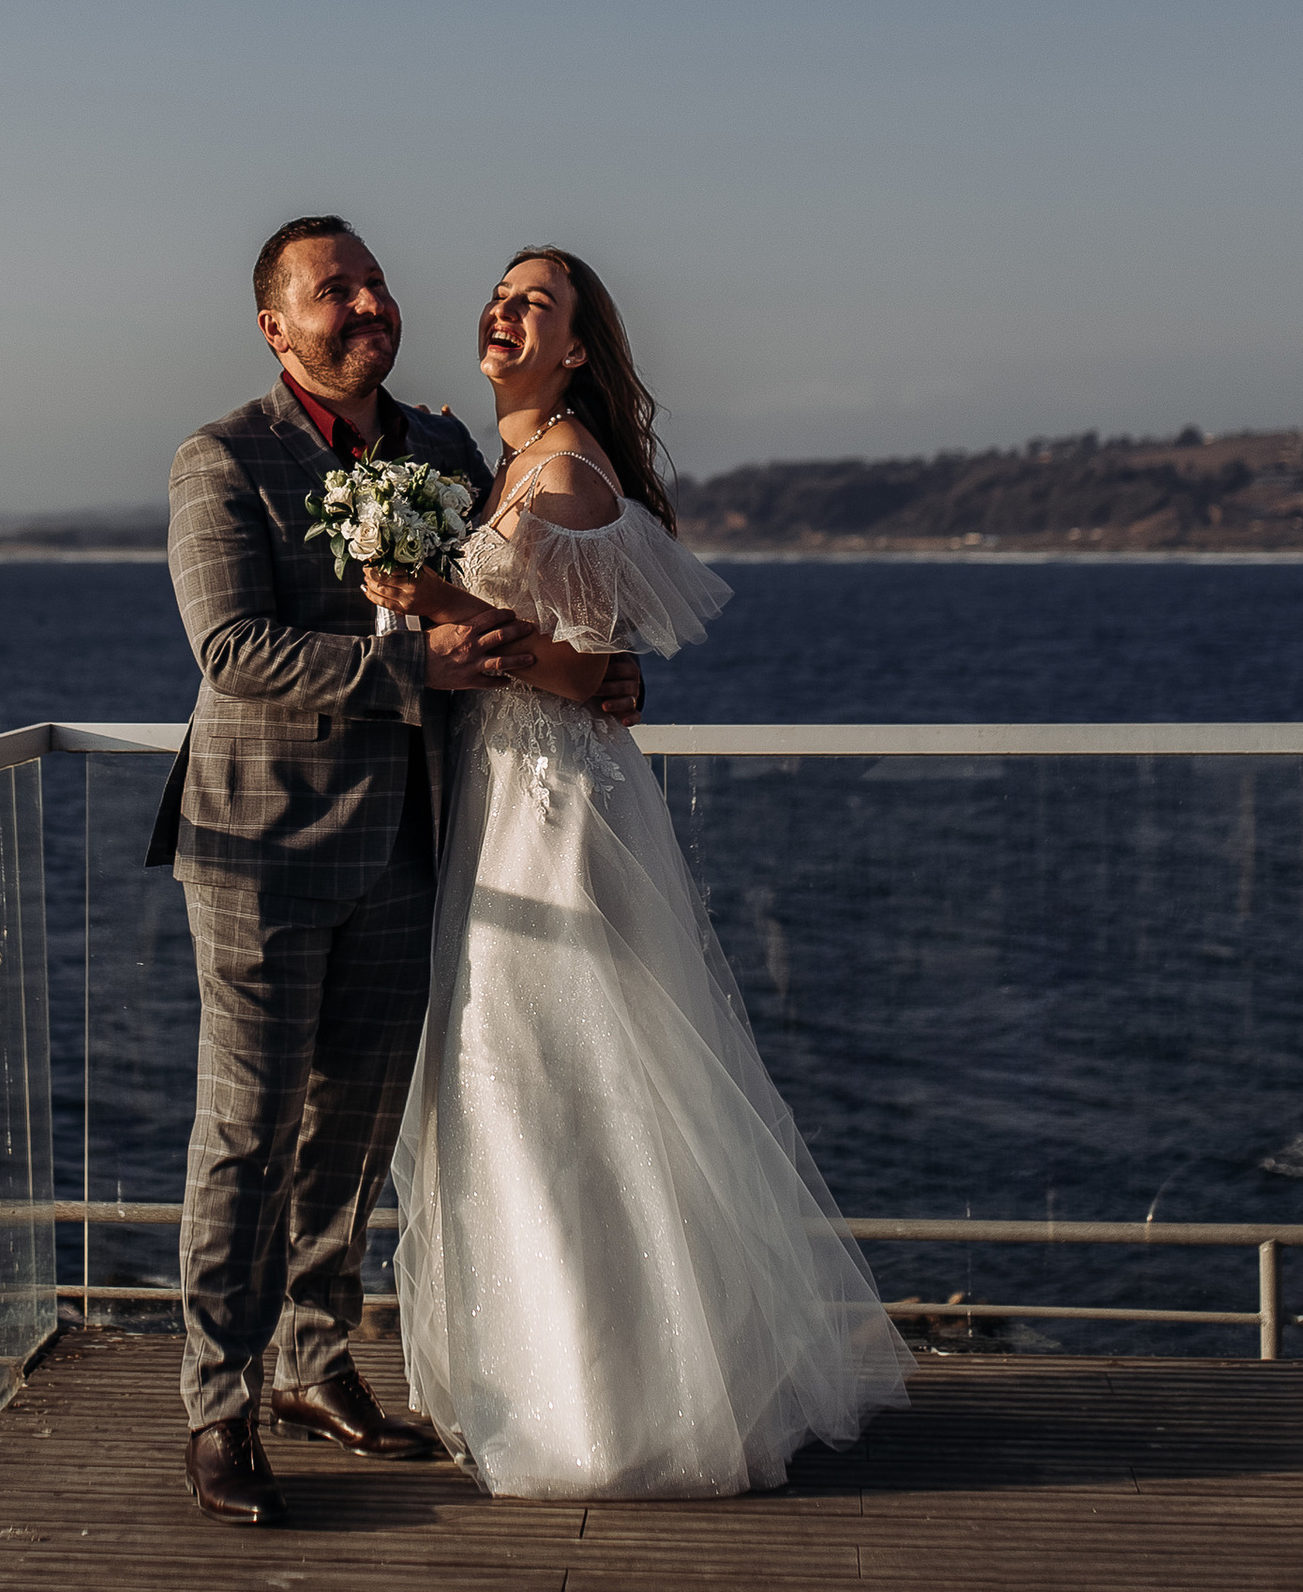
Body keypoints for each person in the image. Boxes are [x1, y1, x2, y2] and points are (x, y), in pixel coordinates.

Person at [379, 247, 911, 1498]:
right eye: (501, 296)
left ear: (575, 348)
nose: (505, 313)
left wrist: (436, 596)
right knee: (533, 1085)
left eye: (536, 304)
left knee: (556, 1081)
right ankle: (577, 1377)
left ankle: (610, 1410)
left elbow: (583, 669)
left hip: (552, 807)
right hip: (508, 795)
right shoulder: (510, 460)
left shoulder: (561, 470)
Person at [150, 217, 642, 1526]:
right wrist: (403, 670)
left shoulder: (440, 449)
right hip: (258, 850)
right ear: (277, 327)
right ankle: (216, 1401)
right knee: (246, 1136)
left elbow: (506, 608)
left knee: (354, 1136)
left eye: (373, 282)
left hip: (411, 848)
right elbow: (234, 653)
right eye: (334, 290)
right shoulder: (223, 461)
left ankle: (315, 1361)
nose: (367, 302)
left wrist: (591, 672)